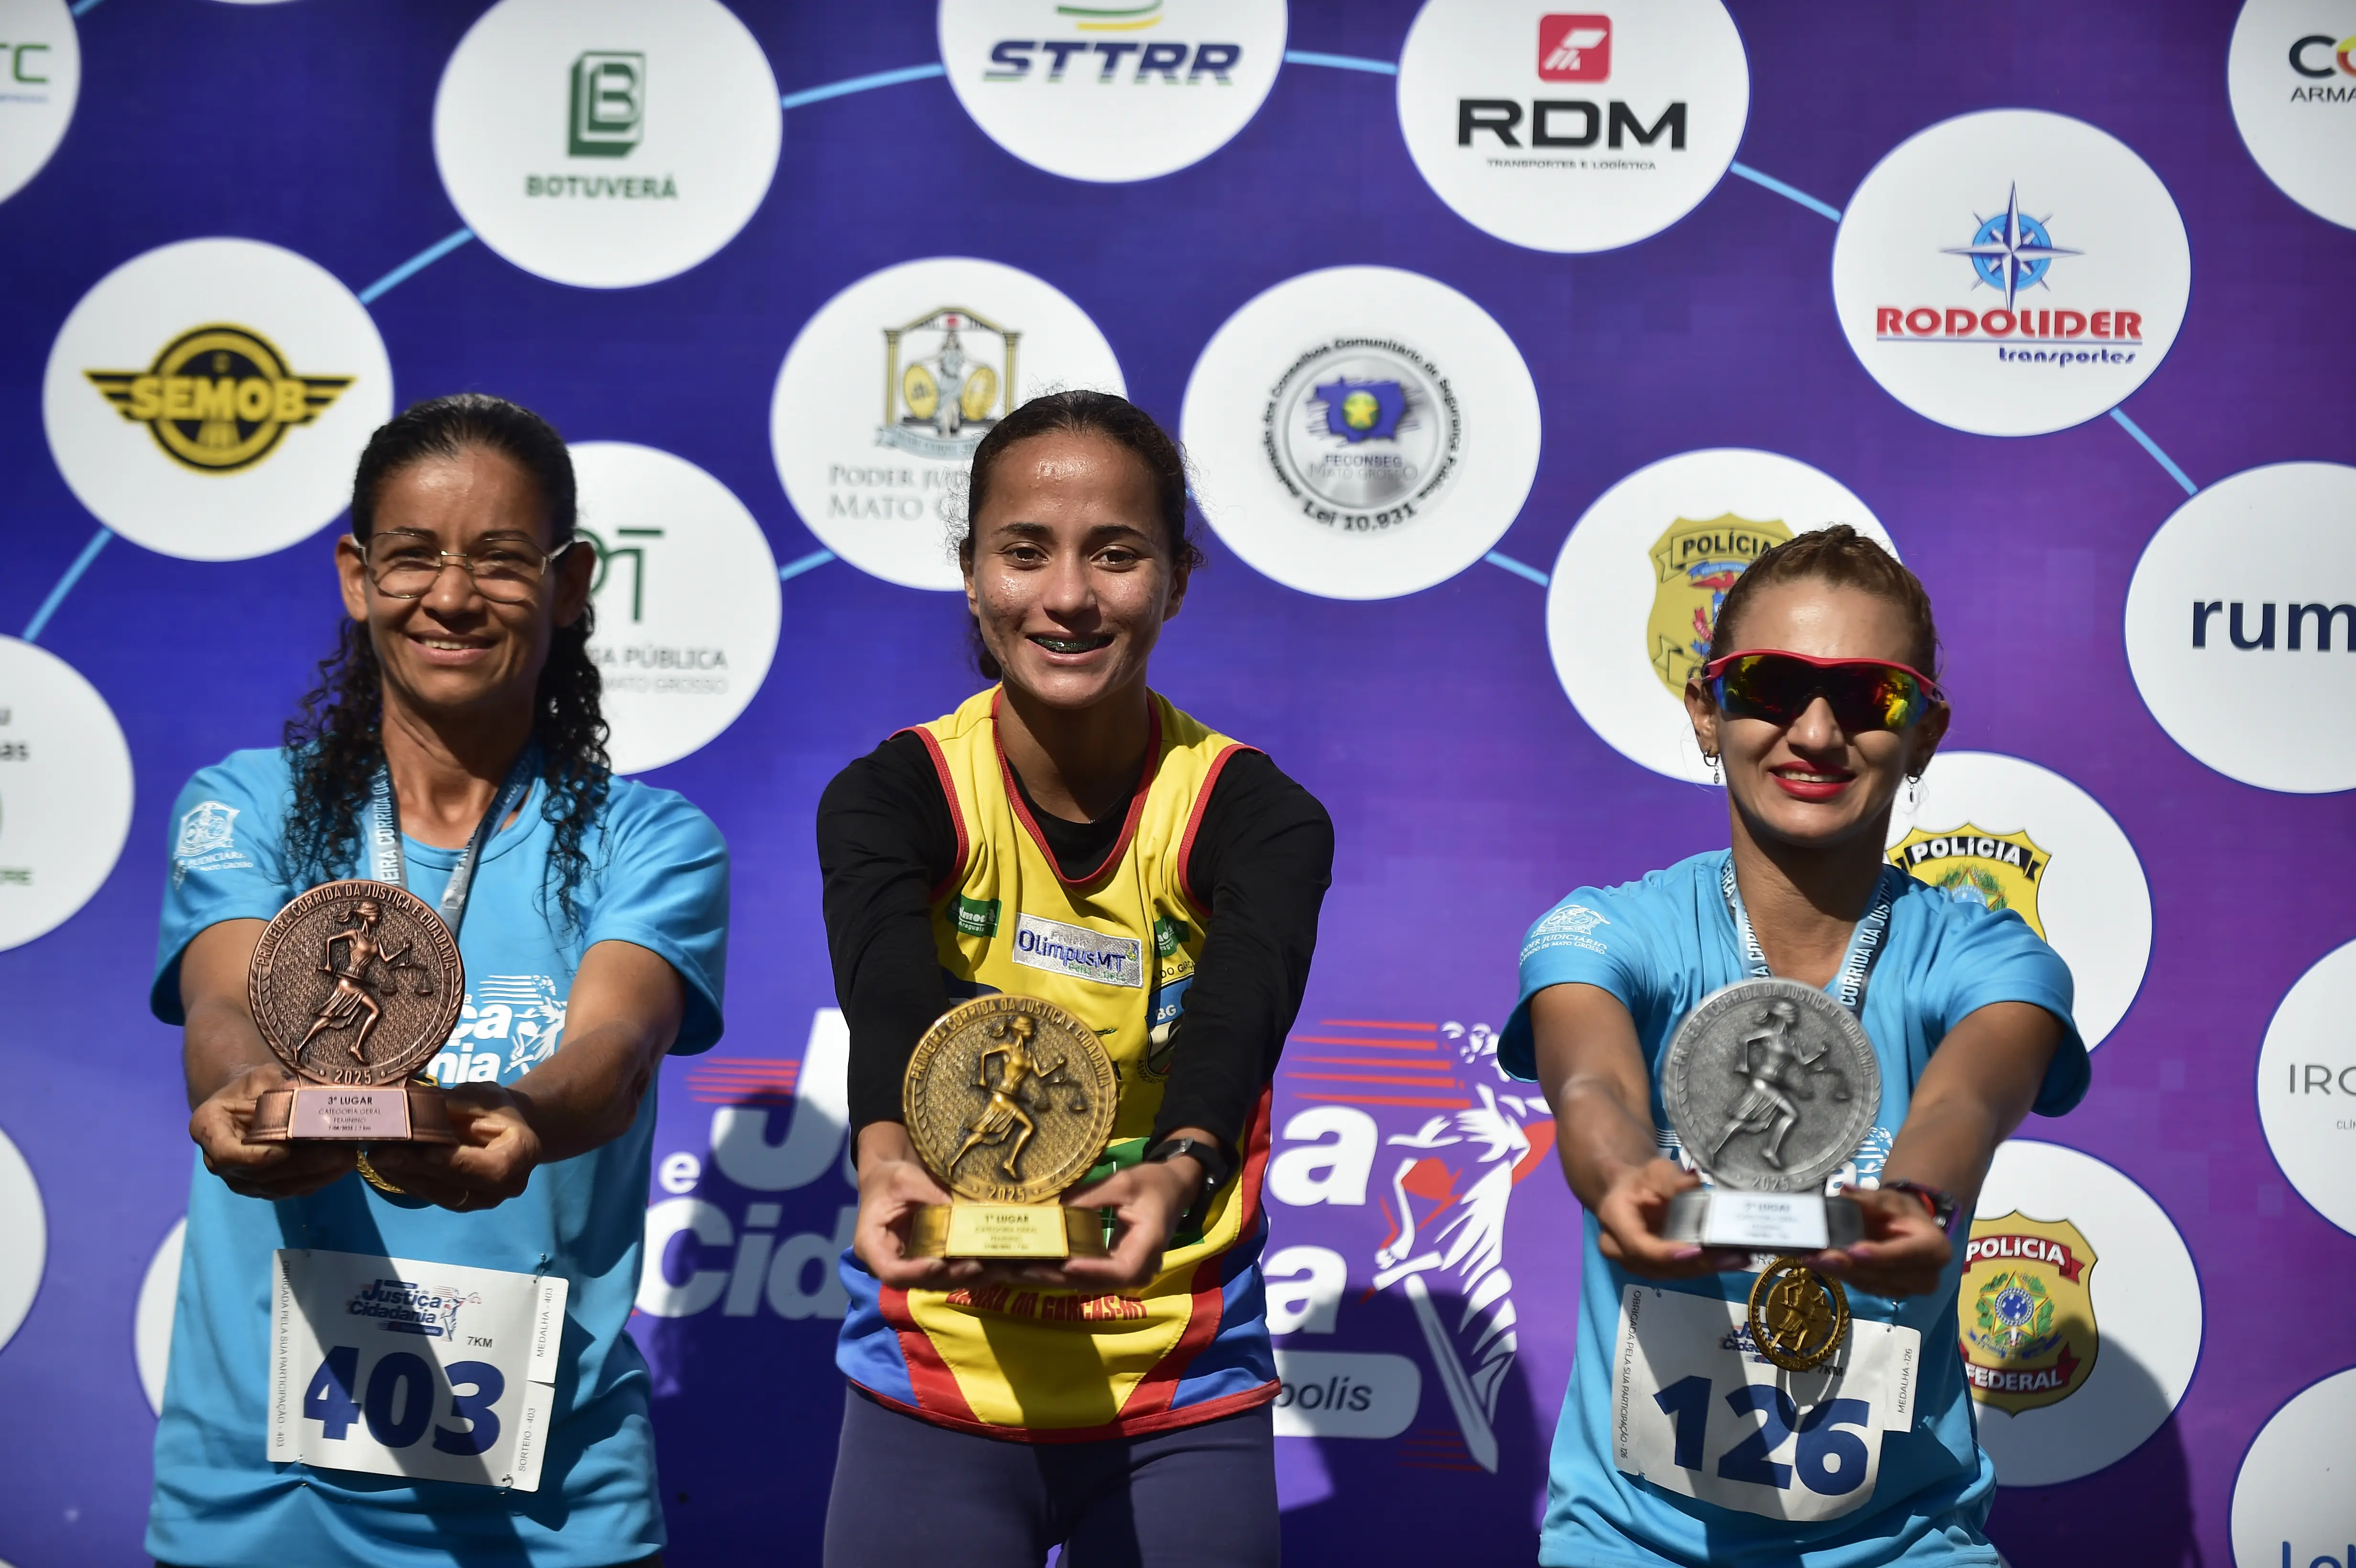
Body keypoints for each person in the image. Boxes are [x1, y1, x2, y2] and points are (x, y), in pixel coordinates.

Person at [150, 395, 729, 1568]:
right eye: (412, 556)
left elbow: (609, 1060)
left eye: (504, 562)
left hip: (549, 1511)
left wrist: (519, 1119)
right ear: (358, 577)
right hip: (260, 1503)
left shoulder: (652, 839)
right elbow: (223, 1007)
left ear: (571, 587)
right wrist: (244, 1099)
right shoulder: (244, 802)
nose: (453, 597)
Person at [816, 390, 1333, 1568]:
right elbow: (887, 978)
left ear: (1176, 579)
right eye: (1024, 550)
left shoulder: (1256, 814)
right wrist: (888, 1145)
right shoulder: (892, 795)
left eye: (1116, 554)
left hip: (1176, 1384)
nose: (1066, 595)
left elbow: (1237, 1010)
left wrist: (1180, 1164)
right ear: (970, 573)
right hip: (935, 1377)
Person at [1503, 526, 2087, 1566]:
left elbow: (1963, 1104)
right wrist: (1624, 1177)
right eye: (1770, 685)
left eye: (1871, 697)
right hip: (1626, 1544)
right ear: (1705, 709)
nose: (1815, 732)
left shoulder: (1994, 955)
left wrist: (1917, 1203)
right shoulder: (1603, 930)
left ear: (1925, 730)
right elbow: (1588, 1076)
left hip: (1910, 1544)